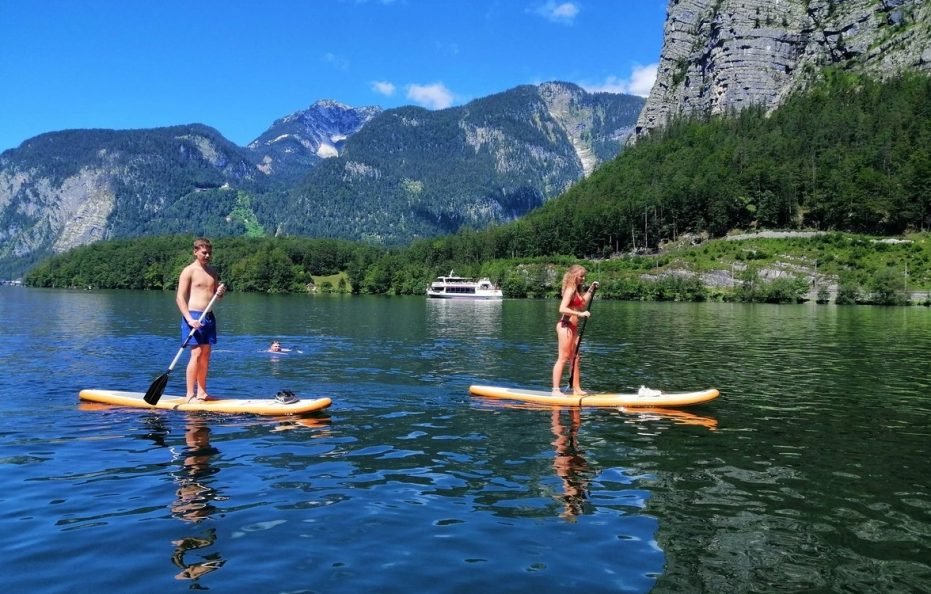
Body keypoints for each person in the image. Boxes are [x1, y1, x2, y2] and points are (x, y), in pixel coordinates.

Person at [177, 237, 226, 402]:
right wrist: (189, 319)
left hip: (209, 317)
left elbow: (215, 297)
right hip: (193, 316)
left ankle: (202, 392)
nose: (207, 256)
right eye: (204, 252)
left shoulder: (212, 272)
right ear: (195, 252)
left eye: (209, 253)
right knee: (196, 354)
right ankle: (190, 393)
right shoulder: (188, 271)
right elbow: (180, 298)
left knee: (206, 354)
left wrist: (220, 293)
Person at [552, 264, 598, 395]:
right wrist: (580, 314)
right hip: (565, 326)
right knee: (563, 357)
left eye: (584, 276)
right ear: (574, 276)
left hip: (573, 327)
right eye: (581, 276)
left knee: (576, 358)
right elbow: (562, 308)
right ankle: (555, 390)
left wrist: (591, 289)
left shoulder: (576, 290)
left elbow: (582, 303)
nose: (583, 278)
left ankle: (576, 389)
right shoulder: (570, 289)